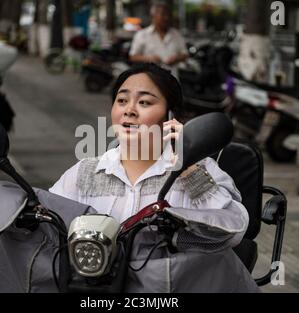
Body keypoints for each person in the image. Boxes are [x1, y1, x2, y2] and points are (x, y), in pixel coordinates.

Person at [50, 62, 248, 244]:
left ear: (171, 116)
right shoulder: (85, 172)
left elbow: (233, 233)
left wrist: (187, 168)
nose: (129, 110)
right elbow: (48, 227)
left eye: (144, 102)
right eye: (121, 100)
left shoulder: (199, 169)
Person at [129, 1, 189, 76]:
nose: (166, 18)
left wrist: (176, 58)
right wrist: (150, 59)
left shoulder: (176, 34)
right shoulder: (142, 35)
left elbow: (185, 54)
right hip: (149, 80)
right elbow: (133, 56)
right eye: (163, 14)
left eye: (168, 15)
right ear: (153, 16)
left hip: (172, 80)